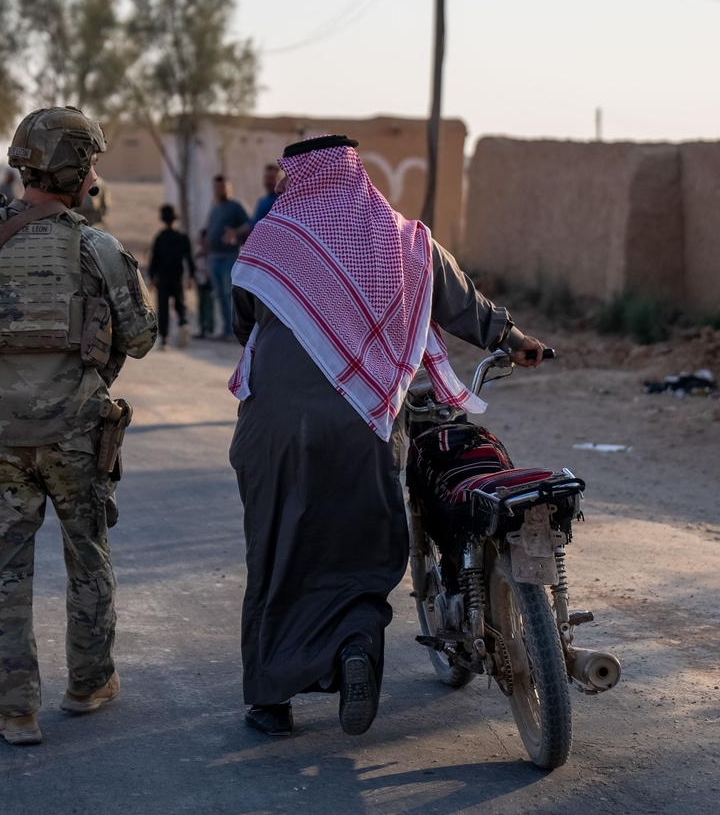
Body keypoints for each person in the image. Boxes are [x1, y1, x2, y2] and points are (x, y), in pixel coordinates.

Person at [226, 135, 546, 738]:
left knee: (274, 547)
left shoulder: (271, 239)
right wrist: (513, 339)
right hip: (363, 418)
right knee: (357, 543)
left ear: (298, 177)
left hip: (272, 426)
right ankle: (353, 649)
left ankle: (271, 698)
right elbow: (460, 299)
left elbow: (243, 317)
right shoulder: (404, 237)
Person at [0, 106, 157, 747]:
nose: (95, 177)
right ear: (75, 170)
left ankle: (15, 712)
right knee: (88, 560)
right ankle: (88, 685)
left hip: (1, 442)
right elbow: (142, 334)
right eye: (93, 164)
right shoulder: (97, 247)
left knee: (0, 575)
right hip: (78, 439)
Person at [205, 174, 250, 339]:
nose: (220, 190)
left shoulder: (236, 206)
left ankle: (233, 332)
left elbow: (249, 224)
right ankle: (224, 329)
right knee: (219, 295)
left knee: (229, 294)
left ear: (228, 187)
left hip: (229, 257)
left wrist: (235, 233)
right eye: (217, 187)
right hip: (213, 258)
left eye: (222, 187)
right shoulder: (215, 208)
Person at [148, 204, 194, 350]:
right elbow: (189, 259)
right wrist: (191, 275)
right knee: (180, 303)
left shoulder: (160, 238)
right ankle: (183, 324)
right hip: (177, 276)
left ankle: (164, 338)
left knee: (163, 308)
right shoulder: (182, 237)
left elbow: (154, 260)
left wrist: (151, 277)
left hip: (162, 278)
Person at [193, 229, 215, 339]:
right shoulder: (199, 253)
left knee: (209, 306)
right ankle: (202, 328)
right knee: (201, 306)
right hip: (200, 282)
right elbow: (195, 267)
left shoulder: (211, 253)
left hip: (209, 283)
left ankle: (210, 328)